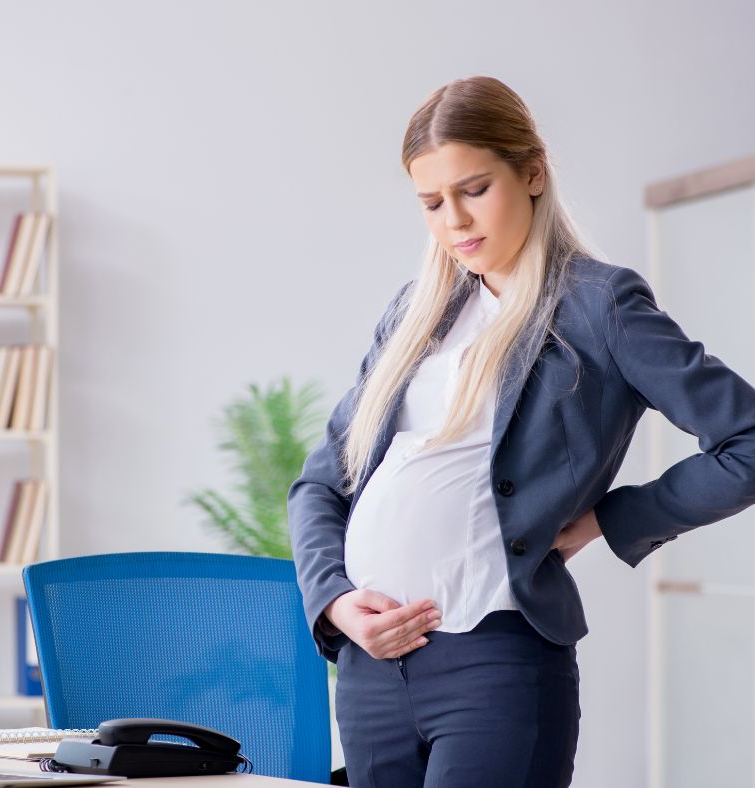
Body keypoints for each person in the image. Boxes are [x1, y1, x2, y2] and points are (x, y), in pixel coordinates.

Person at [286, 75, 755, 788]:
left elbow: (746, 441)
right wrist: (336, 602)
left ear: (532, 172)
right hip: (370, 675)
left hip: (494, 668)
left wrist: (611, 517)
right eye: (432, 202)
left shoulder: (600, 307)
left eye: (474, 189)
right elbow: (322, 482)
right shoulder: (414, 314)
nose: (453, 220)